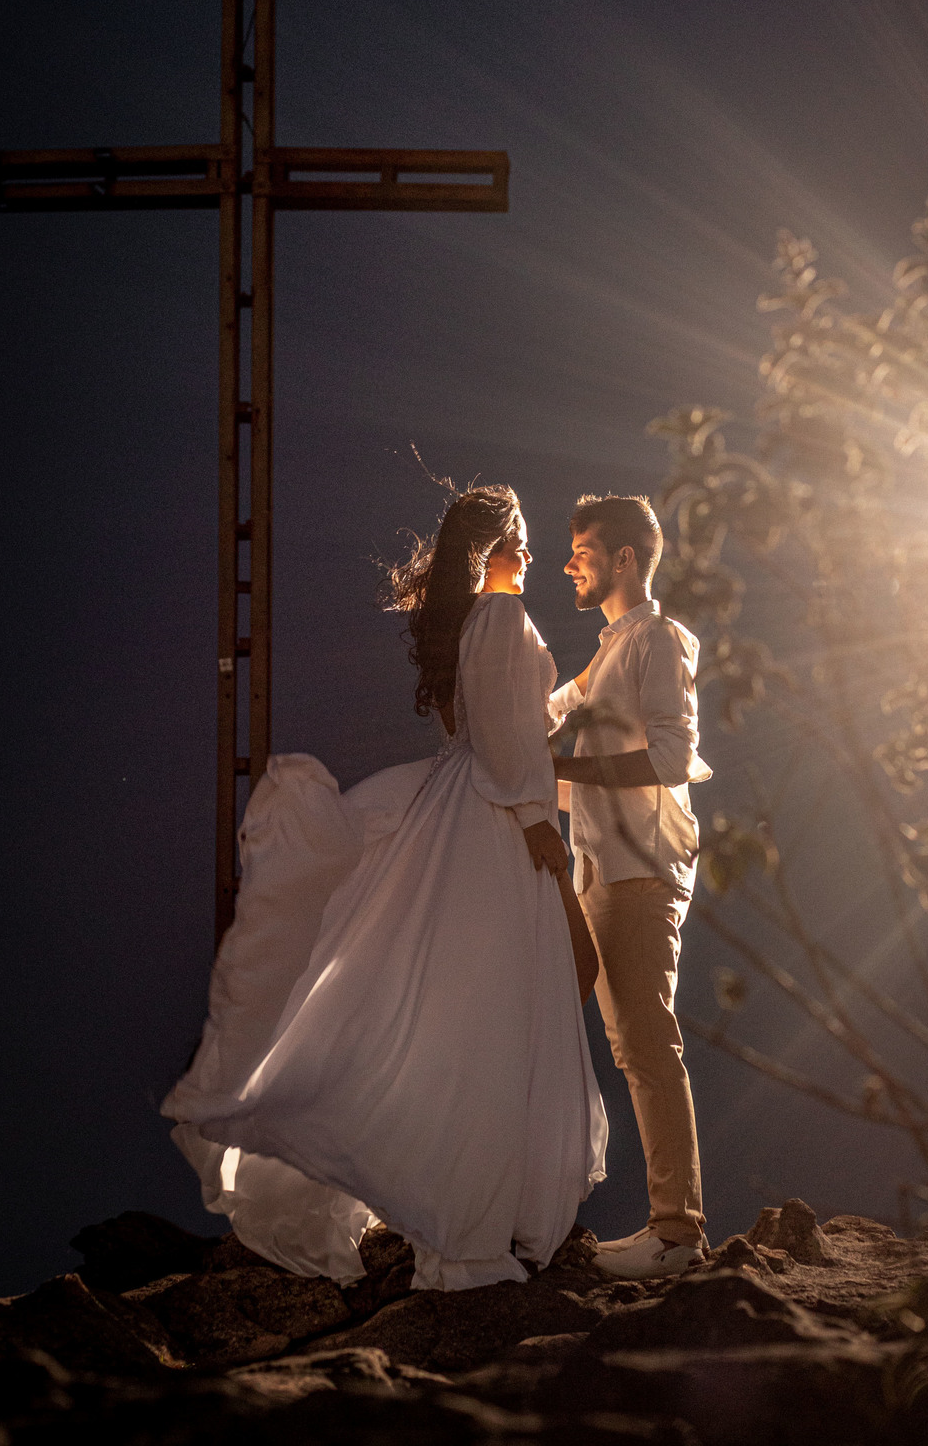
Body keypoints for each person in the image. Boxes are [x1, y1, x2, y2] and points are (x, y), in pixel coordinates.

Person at [163, 484, 607, 1292]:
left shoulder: (456, 626)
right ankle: (470, 1232)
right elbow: (509, 747)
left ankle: (459, 1216)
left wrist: (575, 698)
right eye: (520, 540)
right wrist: (541, 821)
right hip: (497, 821)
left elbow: (504, 717)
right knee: (501, 1011)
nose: (532, 555)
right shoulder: (500, 615)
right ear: (494, 546)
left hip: (457, 811)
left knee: (466, 1011)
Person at [549, 493, 712, 1278]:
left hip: (641, 870)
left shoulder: (658, 639)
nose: (568, 562)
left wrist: (567, 766)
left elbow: (675, 758)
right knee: (628, 1044)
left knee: (646, 1042)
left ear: (622, 559)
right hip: (598, 869)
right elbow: (552, 754)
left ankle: (677, 1235)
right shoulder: (606, 653)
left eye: (581, 549)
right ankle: (663, 1227)